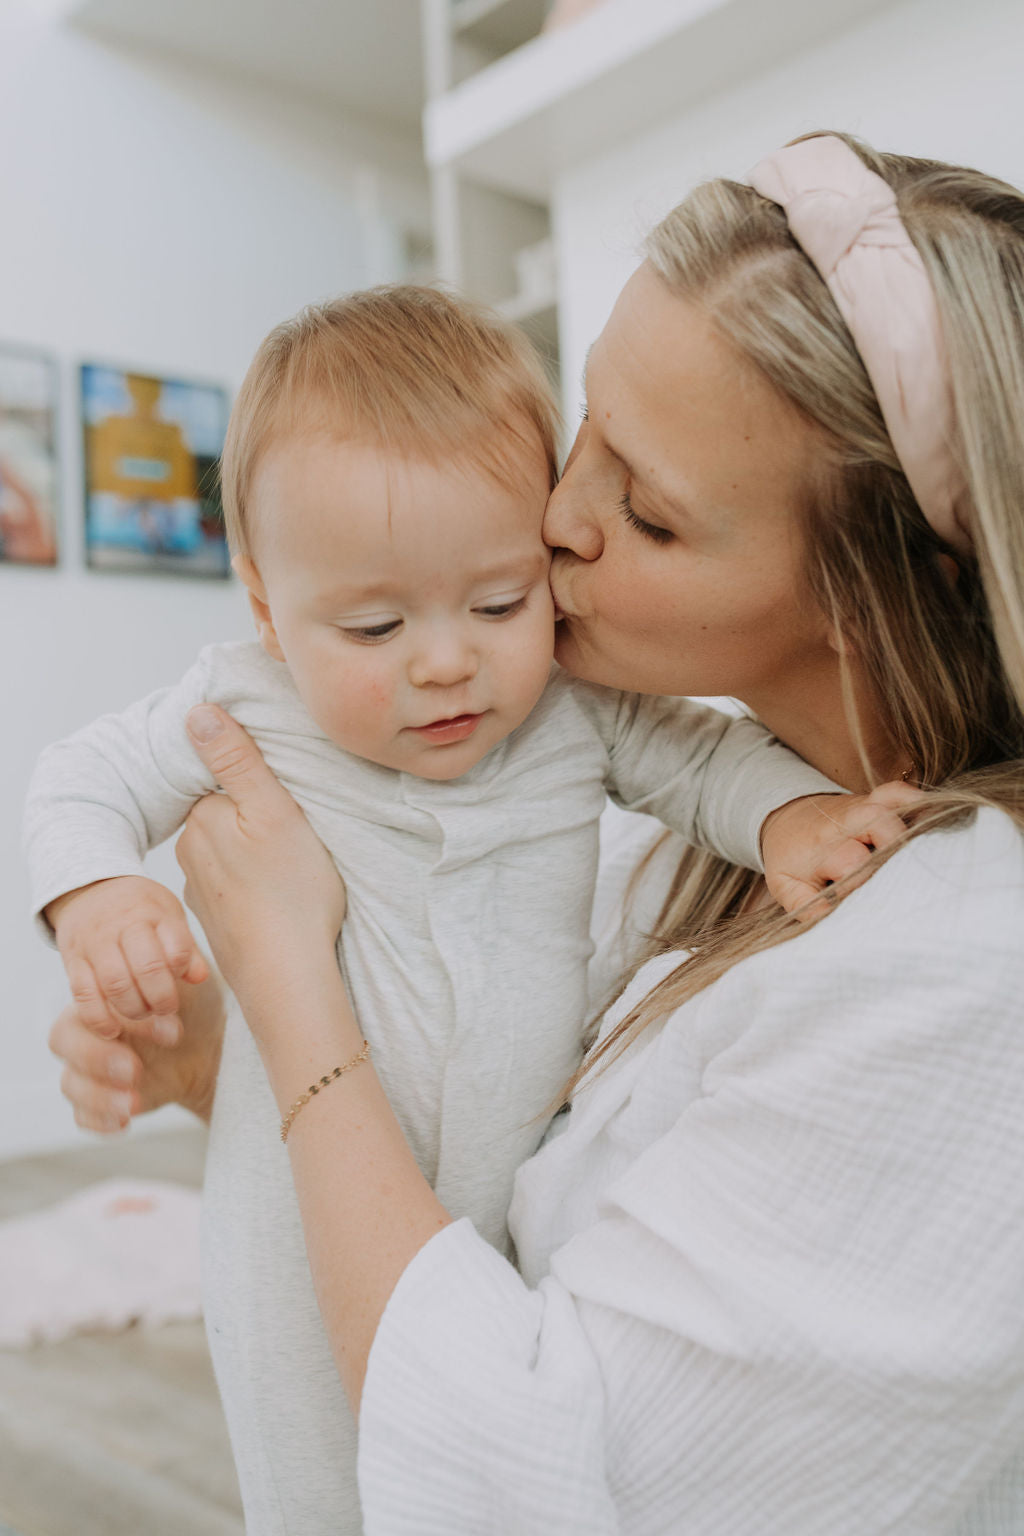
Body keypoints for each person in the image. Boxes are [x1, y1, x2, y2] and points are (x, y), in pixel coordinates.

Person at [51, 130, 1024, 1531]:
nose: (549, 524)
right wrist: (229, 1065)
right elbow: (503, 1151)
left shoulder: (960, 961)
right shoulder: (661, 822)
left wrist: (292, 985)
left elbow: (514, 1480)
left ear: (872, 596)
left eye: (641, 507)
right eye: (582, 440)